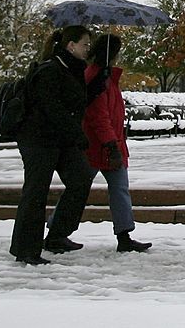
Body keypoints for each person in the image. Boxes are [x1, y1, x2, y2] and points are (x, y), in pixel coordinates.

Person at [10, 26, 101, 265]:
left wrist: (95, 87)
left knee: (81, 178)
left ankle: (57, 235)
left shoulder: (72, 69)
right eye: (84, 44)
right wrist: (76, 134)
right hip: (38, 140)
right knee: (36, 192)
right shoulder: (49, 70)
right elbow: (52, 108)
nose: (87, 49)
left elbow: (72, 102)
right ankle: (26, 249)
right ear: (71, 45)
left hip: (60, 139)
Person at [80, 33, 152, 253]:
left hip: (106, 144)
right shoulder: (99, 79)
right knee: (84, 190)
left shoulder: (105, 78)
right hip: (99, 146)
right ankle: (56, 231)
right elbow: (99, 117)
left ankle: (124, 234)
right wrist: (112, 144)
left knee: (114, 190)